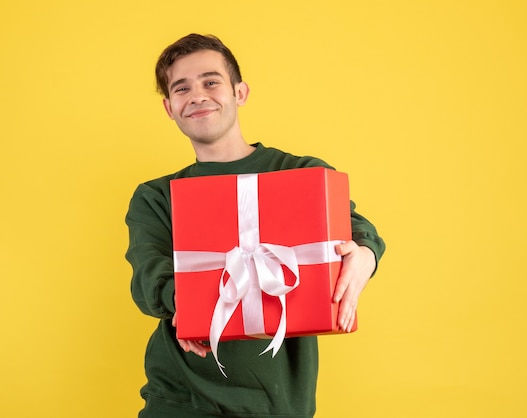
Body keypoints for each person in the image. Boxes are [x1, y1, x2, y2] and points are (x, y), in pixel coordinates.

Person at [125, 33, 386, 418]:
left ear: (240, 92)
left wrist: (366, 253)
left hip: (279, 402)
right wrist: (185, 304)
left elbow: (356, 230)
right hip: (180, 400)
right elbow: (150, 275)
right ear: (169, 107)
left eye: (211, 81)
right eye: (182, 88)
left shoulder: (302, 175)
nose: (197, 95)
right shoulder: (156, 196)